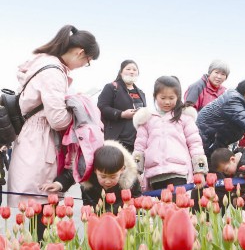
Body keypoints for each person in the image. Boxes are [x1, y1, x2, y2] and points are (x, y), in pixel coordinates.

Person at [7, 25, 100, 218]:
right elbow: (58, 120)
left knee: (33, 212)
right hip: (40, 144)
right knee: (42, 210)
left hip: (30, 139)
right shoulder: (54, 72)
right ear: (81, 53)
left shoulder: (41, 63)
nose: (85, 65)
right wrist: (76, 111)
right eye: (88, 61)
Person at [133, 76, 208, 191]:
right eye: (162, 98)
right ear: (155, 96)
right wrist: (136, 171)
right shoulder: (146, 119)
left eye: (171, 98)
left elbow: (195, 145)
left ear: (178, 97)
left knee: (178, 206)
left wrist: (200, 171)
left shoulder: (185, 118)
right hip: (155, 174)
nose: (167, 102)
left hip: (178, 172)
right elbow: (139, 148)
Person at [40, 141, 141, 215]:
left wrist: (110, 213)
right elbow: (72, 174)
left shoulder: (130, 178)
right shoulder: (86, 172)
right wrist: (59, 184)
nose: (108, 181)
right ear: (95, 170)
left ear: (122, 169)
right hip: (93, 213)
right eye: (103, 176)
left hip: (121, 217)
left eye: (113, 176)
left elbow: (135, 198)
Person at [97, 60, 146, 153]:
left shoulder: (141, 93)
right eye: (128, 69)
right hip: (116, 139)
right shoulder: (111, 87)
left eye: (135, 70)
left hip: (135, 142)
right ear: (121, 72)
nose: (132, 71)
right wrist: (122, 114)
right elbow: (102, 107)